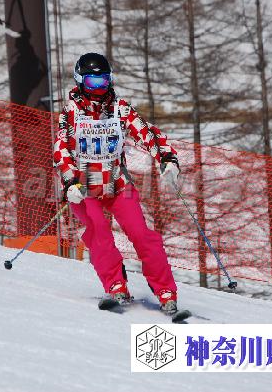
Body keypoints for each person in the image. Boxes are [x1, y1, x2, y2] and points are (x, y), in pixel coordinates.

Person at [53, 53, 181, 313]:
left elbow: (147, 133)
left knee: (142, 235)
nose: (98, 88)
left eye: (103, 81)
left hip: (117, 182)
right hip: (84, 185)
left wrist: (167, 159)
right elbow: (61, 148)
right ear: (80, 81)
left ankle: (165, 290)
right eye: (92, 82)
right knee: (98, 231)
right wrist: (69, 181)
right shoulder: (71, 112)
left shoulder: (120, 109)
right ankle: (115, 286)